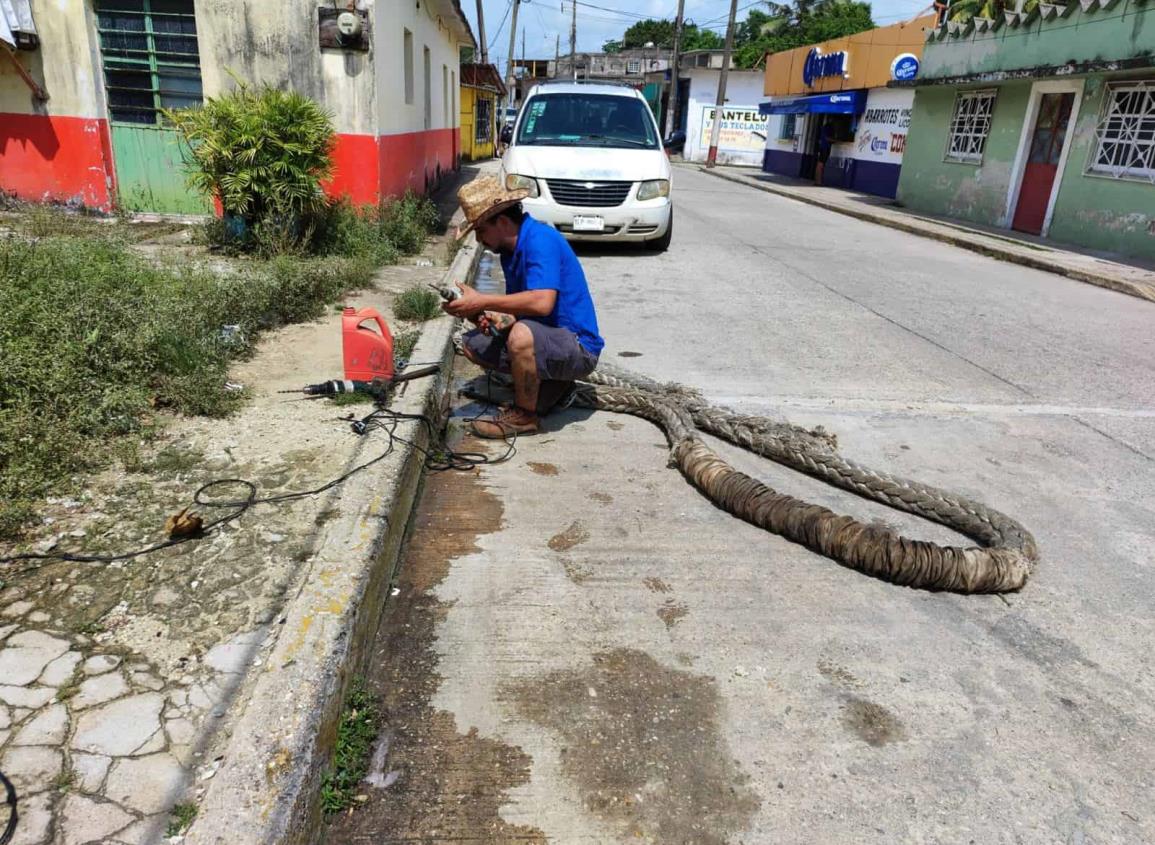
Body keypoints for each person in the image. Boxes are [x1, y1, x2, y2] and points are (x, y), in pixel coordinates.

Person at [444, 176, 604, 439]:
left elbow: (541, 303)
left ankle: (524, 416)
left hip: (578, 347)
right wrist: (478, 314)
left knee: (520, 337)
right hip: (546, 337)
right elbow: (520, 311)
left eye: (481, 231)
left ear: (503, 222)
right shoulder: (511, 251)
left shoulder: (540, 240)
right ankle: (552, 387)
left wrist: (482, 299)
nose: (479, 239)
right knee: (473, 344)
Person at [815, 120, 835, 186]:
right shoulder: (828, 129)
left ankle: (817, 181)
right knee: (821, 165)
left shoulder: (822, 128)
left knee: (819, 165)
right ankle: (819, 182)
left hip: (821, 148)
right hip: (825, 148)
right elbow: (827, 138)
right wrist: (835, 140)